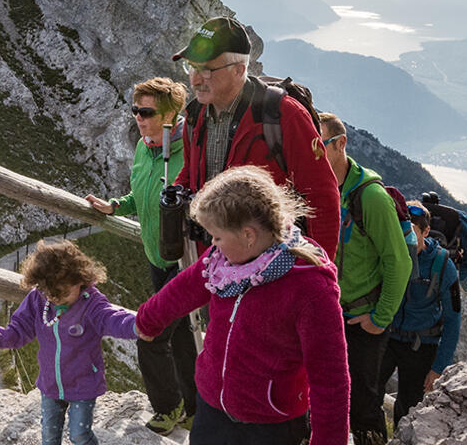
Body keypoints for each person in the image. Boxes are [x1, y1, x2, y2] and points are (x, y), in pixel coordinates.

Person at [135, 166, 349, 445]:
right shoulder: (223, 262)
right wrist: (148, 319)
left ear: (248, 235)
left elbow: (330, 379)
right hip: (212, 407)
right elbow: (186, 286)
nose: (213, 244)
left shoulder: (310, 288)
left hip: (270, 425)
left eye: (217, 236)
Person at [170, 16, 340, 259]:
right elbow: (191, 171)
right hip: (213, 263)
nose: (196, 79)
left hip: (270, 267)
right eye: (192, 67)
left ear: (239, 70)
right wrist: (177, 191)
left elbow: (322, 197)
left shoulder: (283, 115)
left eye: (207, 69)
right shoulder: (194, 116)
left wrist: (320, 269)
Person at [84, 77, 197, 434]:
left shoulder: (189, 152)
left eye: (146, 112)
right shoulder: (144, 148)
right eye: (135, 110)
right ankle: (193, 408)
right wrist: (115, 205)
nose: (138, 117)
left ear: (171, 115)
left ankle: (168, 406)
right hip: (156, 256)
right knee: (179, 337)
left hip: (183, 262)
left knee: (151, 333)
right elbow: (143, 197)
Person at [0, 240, 137, 445]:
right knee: (48, 437)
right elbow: (18, 332)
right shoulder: (38, 299)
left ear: (79, 279)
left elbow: (113, 319)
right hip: (50, 384)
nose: (54, 299)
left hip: (83, 385)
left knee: (79, 435)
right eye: (48, 292)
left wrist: (140, 325)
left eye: (62, 293)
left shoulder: (91, 303)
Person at [315, 112, 412, 445]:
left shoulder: (370, 197)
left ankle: (370, 438)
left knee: (364, 396)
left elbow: (398, 262)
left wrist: (380, 318)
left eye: (319, 144)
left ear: (341, 143)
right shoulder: (316, 187)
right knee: (323, 389)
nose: (313, 152)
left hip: (360, 316)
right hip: (326, 311)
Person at [378, 202, 467, 424]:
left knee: (409, 408)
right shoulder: (389, 252)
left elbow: (453, 320)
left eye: (412, 233)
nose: (406, 239)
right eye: (401, 231)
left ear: (426, 231)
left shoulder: (442, 265)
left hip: (421, 345)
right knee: (366, 395)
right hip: (386, 336)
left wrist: (438, 367)